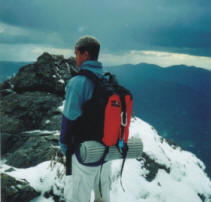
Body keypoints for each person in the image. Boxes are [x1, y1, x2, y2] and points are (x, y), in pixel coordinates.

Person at [59, 36, 111, 202]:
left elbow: (69, 119)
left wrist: (64, 146)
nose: (75, 58)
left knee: (77, 197)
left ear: (85, 54)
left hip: (85, 154)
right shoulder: (108, 80)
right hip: (107, 152)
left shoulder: (77, 83)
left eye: (77, 54)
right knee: (102, 198)